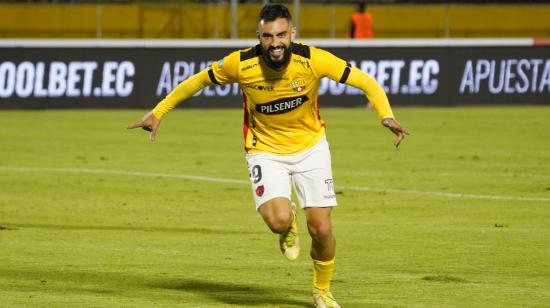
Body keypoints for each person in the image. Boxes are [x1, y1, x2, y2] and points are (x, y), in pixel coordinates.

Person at [128, 4, 408, 307]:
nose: (275, 43)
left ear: (292, 34)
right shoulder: (241, 64)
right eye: (267, 36)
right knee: (277, 220)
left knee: (322, 230)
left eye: (281, 35)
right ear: (258, 37)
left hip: (311, 148)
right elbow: (197, 81)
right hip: (264, 150)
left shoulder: (313, 59)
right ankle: (287, 224)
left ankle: (322, 291)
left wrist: (386, 115)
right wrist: (158, 113)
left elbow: (365, 81)